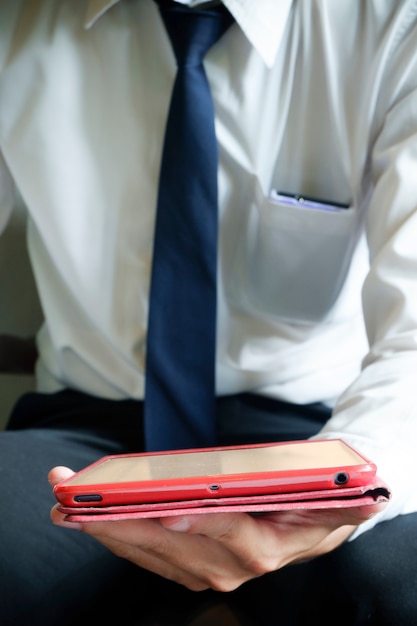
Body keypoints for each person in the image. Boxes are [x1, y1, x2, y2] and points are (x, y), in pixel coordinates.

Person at [1, 0, 417, 624]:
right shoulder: (17, 20)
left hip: (317, 434)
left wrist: (347, 484)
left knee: (398, 587)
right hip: (90, 433)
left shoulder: (394, 23)